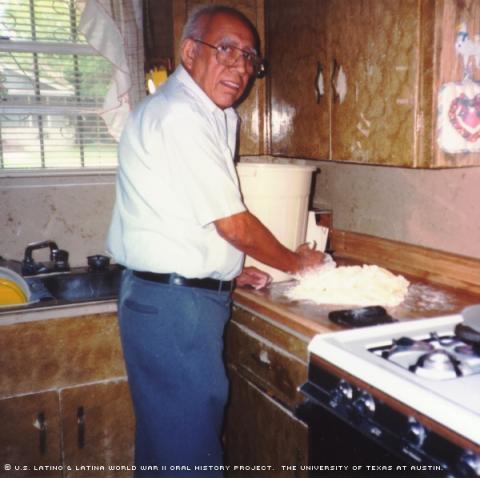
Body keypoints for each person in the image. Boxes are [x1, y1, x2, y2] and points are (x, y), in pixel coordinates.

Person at [106, 4, 326, 476]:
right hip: (173, 310)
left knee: (171, 449)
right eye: (226, 48)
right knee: (187, 458)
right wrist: (296, 263)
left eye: (249, 56)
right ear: (190, 51)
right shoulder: (180, 116)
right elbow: (232, 221)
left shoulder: (208, 113)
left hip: (168, 298)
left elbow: (192, 213)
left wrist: (224, 269)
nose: (241, 66)